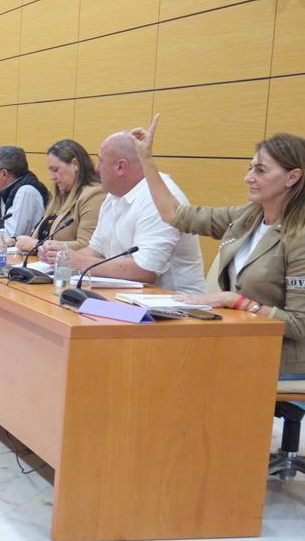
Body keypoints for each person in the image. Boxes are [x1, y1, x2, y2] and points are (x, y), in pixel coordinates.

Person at [130, 116, 305, 372]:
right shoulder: (247, 217)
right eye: (250, 168)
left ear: (292, 177)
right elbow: (175, 215)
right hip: (237, 343)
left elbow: (299, 324)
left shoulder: (299, 237)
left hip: (276, 359)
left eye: (260, 170)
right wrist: (146, 160)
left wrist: (235, 300)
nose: (248, 178)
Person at [40, 131, 205, 292]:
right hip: (127, 297)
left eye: (101, 161)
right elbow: (96, 251)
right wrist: (59, 258)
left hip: (177, 308)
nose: (96, 168)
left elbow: (144, 270)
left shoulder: (158, 197)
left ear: (120, 166)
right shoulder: (113, 195)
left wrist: (79, 262)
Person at [15, 139, 104, 254]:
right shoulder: (61, 195)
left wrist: (38, 245)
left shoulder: (94, 194)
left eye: (55, 170)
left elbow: (87, 245)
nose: (52, 177)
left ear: (75, 164)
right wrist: (15, 241)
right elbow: (40, 235)